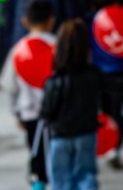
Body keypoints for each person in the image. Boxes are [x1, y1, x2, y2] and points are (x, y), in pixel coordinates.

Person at [41, 20, 102, 190]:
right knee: (87, 174)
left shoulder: (55, 81)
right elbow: (115, 86)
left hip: (60, 135)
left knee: (61, 179)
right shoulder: (93, 75)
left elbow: (47, 112)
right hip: (87, 133)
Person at [3, 0, 57, 190]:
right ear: (51, 20)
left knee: (35, 151)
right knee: (54, 151)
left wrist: (15, 111)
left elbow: (11, 87)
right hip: (56, 113)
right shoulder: (58, 46)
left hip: (29, 112)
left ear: (25, 21)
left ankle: (38, 183)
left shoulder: (19, 49)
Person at [87, 0, 123, 171]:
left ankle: (100, 148)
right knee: (119, 114)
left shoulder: (89, 21)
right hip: (120, 74)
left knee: (100, 113)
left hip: (97, 75)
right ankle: (114, 149)